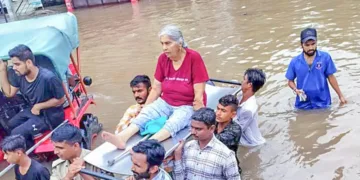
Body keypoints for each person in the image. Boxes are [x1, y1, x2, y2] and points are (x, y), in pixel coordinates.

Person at [102, 25, 209, 149]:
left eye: (168, 43)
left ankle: (149, 143)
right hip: (166, 101)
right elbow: (156, 88)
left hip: (187, 104)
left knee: (176, 121)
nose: (164, 48)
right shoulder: (163, 59)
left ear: (179, 43)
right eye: (162, 44)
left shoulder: (193, 57)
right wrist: (145, 108)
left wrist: (199, 112)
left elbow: (199, 93)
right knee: (146, 113)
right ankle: (122, 138)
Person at [0, 44, 65, 149]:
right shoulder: (20, 76)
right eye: (13, 65)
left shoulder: (48, 78)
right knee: (10, 124)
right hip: (33, 110)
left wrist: (39, 106)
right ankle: (30, 145)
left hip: (50, 115)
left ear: (29, 63)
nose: (14, 68)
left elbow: (61, 99)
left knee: (16, 133)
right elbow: (9, 93)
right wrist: (2, 70)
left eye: (17, 64)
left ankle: (29, 155)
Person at [285, 27, 347, 109]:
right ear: (301, 45)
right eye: (307, 45)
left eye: (313, 44)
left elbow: (331, 78)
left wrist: (340, 95)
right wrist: (296, 90)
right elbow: (290, 81)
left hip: (323, 103)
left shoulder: (325, 58)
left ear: (316, 43)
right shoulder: (295, 62)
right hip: (302, 105)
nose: (310, 48)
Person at [173, 108, 241, 180]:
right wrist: (177, 157)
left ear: (212, 128)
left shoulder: (226, 155)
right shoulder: (187, 147)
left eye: (198, 129)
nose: (192, 132)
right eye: (192, 127)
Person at [236, 68, 266, 147]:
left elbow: (237, 130)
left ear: (249, 85)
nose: (241, 82)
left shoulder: (248, 109)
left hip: (251, 144)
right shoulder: (239, 96)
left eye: (244, 80)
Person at [214, 94, 242, 173]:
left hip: (229, 169)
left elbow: (214, 142)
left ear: (233, 114)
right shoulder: (214, 122)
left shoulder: (235, 130)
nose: (218, 113)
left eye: (223, 111)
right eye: (218, 109)